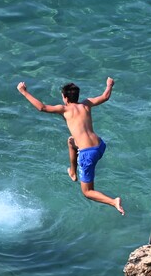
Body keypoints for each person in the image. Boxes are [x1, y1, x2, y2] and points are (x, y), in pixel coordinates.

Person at [17, 78, 124, 215]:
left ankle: (113, 201)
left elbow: (41, 107)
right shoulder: (86, 104)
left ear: (65, 97)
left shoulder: (64, 109)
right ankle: (73, 172)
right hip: (100, 145)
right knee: (71, 141)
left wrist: (24, 92)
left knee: (87, 192)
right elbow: (105, 96)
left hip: (87, 153)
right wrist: (109, 85)